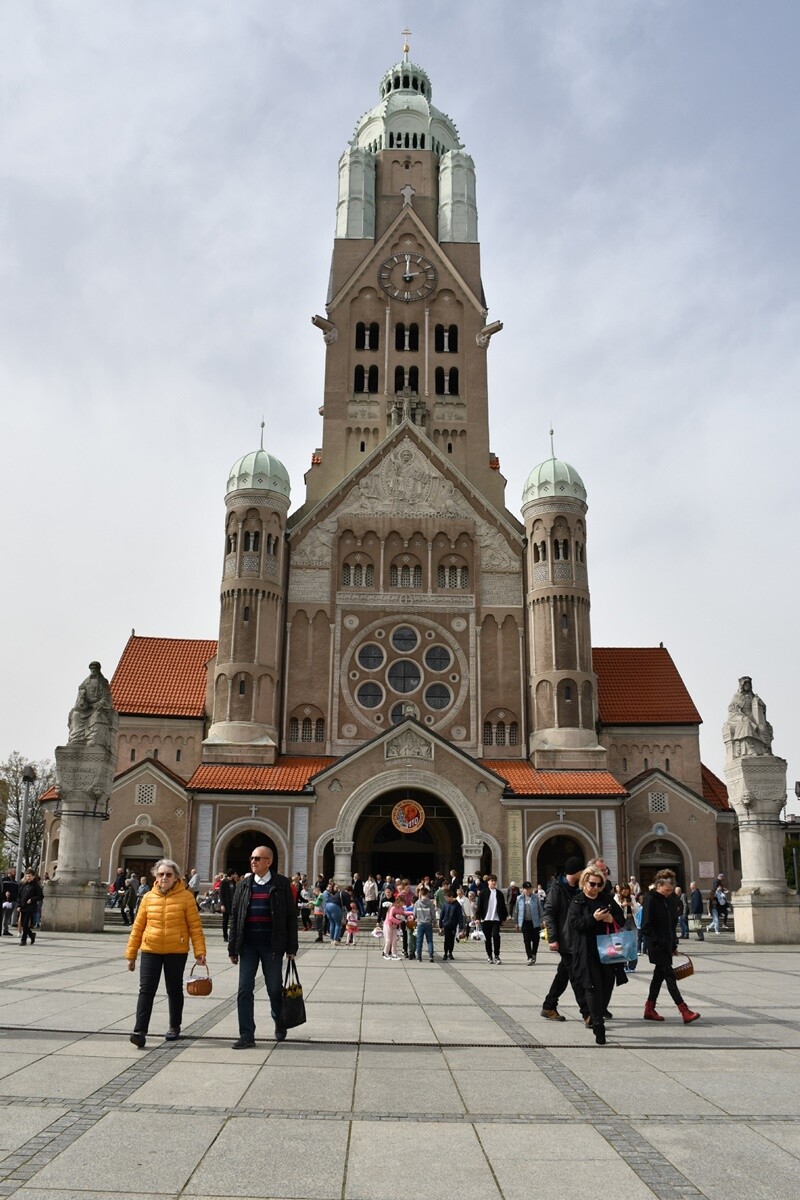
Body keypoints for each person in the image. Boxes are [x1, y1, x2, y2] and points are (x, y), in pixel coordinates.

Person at [125, 858, 206, 1047]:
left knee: (174, 989)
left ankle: (174, 1026)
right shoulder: (148, 898)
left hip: (176, 951)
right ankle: (139, 1030)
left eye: (168, 875)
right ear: (155, 876)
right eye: (161, 874)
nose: (164, 878)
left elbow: (195, 927)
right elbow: (138, 927)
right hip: (150, 949)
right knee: (146, 990)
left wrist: (199, 952)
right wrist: (131, 955)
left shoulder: (186, 897)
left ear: (176, 877)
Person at [228, 846, 298, 1048]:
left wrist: (292, 947)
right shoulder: (243, 885)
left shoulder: (281, 884)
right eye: (251, 857)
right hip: (248, 946)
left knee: (274, 989)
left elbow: (291, 917)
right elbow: (235, 917)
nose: (253, 861)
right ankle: (247, 1034)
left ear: (269, 862)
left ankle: (279, 1021)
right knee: (244, 990)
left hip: (272, 946)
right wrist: (233, 948)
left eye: (258, 858)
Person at [567, 866, 625, 1044]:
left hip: (607, 950)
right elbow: (575, 923)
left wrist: (611, 919)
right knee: (592, 987)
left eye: (599, 885)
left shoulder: (607, 899)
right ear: (584, 883)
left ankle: (599, 1013)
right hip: (587, 951)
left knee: (607, 986)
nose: (595, 888)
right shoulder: (577, 901)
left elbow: (621, 919)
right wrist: (594, 919)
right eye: (592, 884)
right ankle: (599, 1026)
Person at [641, 869, 700, 1024]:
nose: (668, 893)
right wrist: (657, 942)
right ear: (658, 886)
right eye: (666, 890)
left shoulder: (671, 899)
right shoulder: (651, 899)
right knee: (669, 977)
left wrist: (673, 943)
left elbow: (672, 924)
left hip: (667, 944)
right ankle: (684, 1010)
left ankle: (649, 1008)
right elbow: (646, 926)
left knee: (658, 977)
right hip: (656, 945)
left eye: (670, 890)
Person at [541, 856, 587, 1022]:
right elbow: (549, 913)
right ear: (577, 871)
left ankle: (549, 1006)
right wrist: (552, 938)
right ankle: (587, 1013)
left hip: (577, 939)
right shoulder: (557, 888)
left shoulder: (579, 889)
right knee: (576, 976)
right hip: (565, 940)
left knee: (563, 974)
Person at [476, 874, 507, 964]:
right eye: (491, 880)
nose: (493, 882)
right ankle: (489, 955)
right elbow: (479, 906)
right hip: (486, 919)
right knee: (487, 938)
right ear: (488, 882)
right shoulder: (483, 893)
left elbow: (503, 907)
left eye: (494, 881)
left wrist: (504, 918)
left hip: (496, 919)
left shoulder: (499, 894)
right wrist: (477, 917)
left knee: (496, 935)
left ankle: (497, 955)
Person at [515, 881, 544, 964]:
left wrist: (542, 920)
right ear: (523, 890)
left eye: (529, 889)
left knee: (536, 940)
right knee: (527, 940)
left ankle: (534, 953)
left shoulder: (536, 898)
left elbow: (540, 910)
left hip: (535, 922)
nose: (528, 890)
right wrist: (516, 923)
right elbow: (516, 911)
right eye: (526, 889)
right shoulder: (519, 898)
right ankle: (529, 957)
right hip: (525, 922)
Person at [18, 870, 44, 946]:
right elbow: (19, 896)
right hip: (23, 906)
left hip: (30, 907)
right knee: (23, 924)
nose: (28, 877)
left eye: (29, 876)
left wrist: (32, 899)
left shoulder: (36, 886)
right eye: (27, 876)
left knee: (25, 924)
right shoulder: (23, 885)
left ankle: (23, 940)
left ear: (33, 876)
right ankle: (32, 935)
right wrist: (19, 905)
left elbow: (40, 896)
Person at [439, 889, 465, 960]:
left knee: (452, 939)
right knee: (446, 939)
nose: (446, 899)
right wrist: (440, 925)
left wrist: (461, 927)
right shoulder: (445, 905)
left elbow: (460, 916)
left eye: (447, 898)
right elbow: (442, 915)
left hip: (453, 925)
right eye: (445, 898)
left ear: (451, 897)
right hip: (446, 925)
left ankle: (450, 953)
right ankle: (445, 953)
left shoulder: (457, 905)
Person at [413, 886, 437, 961]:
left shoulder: (417, 903)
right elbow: (433, 913)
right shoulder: (430, 902)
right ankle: (431, 956)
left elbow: (414, 914)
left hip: (420, 923)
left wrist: (416, 918)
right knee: (429, 940)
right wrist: (434, 921)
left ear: (420, 893)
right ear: (427, 894)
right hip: (428, 923)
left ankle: (419, 956)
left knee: (419, 940)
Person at [382, 893, 405, 959]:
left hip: (394, 926)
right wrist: (399, 921)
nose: (403, 904)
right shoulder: (393, 908)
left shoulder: (400, 908)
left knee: (394, 939)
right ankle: (385, 953)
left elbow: (404, 913)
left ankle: (394, 953)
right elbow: (390, 917)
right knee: (388, 940)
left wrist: (412, 912)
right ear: (399, 902)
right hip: (388, 925)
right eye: (402, 903)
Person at [322, 880, 343, 945]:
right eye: (329, 887)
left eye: (331, 887)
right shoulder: (326, 893)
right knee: (337, 924)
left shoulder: (330, 893)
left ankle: (332, 939)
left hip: (328, 909)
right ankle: (335, 940)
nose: (330, 888)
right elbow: (326, 902)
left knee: (332, 923)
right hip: (330, 909)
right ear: (326, 887)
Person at [219, 870, 235, 941]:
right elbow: (221, 894)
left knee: (233, 921)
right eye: (234, 874)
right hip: (226, 904)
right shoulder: (224, 882)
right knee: (225, 921)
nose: (235, 875)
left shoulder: (233, 882)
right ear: (231, 874)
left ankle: (232, 936)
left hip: (233, 904)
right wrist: (222, 904)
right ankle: (225, 936)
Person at [2, 870, 18, 936]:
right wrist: (5, 892)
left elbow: (17, 891)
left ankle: (5, 930)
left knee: (7, 916)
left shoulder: (15, 882)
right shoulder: (4, 880)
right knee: (2, 915)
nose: (15, 873)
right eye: (13, 872)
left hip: (12, 901)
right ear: (9, 873)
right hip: (4, 901)